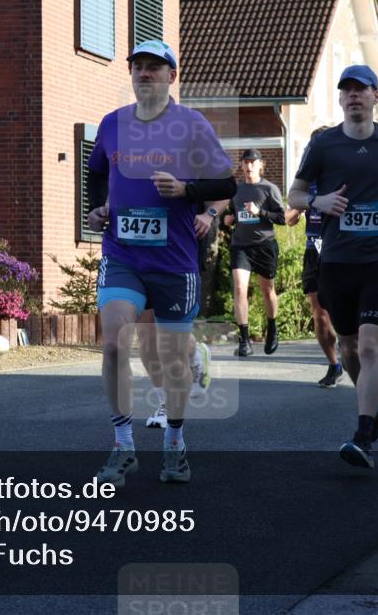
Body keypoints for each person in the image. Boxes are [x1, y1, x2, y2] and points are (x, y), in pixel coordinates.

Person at [85, 40, 235, 486]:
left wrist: (190, 196)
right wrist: (99, 208)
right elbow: (95, 173)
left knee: (170, 361)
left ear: (172, 76)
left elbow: (225, 182)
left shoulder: (191, 125)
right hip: (122, 255)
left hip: (174, 261)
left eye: (154, 67)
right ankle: (122, 445)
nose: (144, 74)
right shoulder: (112, 125)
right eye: (138, 67)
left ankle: (174, 442)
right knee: (114, 343)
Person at [287, 64, 378, 469]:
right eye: (346, 90)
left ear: (375, 97)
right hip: (336, 261)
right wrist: (317, 201)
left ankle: (363, 433)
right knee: (348, 346)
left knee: (370, 344)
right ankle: (373, 408)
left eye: (361, 89)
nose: (354, 96)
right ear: (340, 99)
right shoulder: (323, 146)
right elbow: (295, 194)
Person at [141, 199, 226, 428]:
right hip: (136, 258)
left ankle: (195, 353)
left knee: (167, 339)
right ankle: (164, 402)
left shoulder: (189, 163)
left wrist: (208, 214)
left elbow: (225, 188)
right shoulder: (127, 163)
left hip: (177, 257)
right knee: (147, 338)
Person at [285, 127, 343, 388]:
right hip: (314, 249)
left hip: (341, 247)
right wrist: (300, 209)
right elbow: (288, 217)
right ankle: (334, 364)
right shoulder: (306, 182)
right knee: (319, 313)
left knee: (342, 310)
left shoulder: (343, 177)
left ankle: (348, 343)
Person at [222, 149, 286, 356]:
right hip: (241, 246)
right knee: (240, 289)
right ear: (241, 165)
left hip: (265, 245)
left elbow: (282, 218)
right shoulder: (236, 190)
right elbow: (233, 213)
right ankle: (244, 340)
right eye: (245, 162)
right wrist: (229, 220)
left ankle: (272, 328)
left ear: (261, 165)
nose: (249, 166)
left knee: (267, 290)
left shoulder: (269, 189)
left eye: (253, 162)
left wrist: (261, 213)